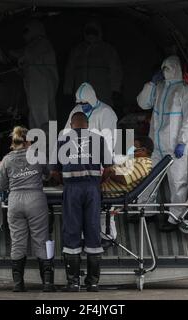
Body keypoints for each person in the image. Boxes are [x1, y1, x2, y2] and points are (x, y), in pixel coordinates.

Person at [51, 112, 113, 292]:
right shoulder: (98, 139)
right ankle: (93, 283)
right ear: (87, 124)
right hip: (92, 190)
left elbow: (54, 172)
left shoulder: (63, 139)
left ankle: (73, 283)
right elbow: (109, 168)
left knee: (72, 231)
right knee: (93, 230)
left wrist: (66, 182)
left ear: (71, 124)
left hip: (72, 190)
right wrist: (97, 183)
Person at [137, 55, 188, 232]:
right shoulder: (159, 87)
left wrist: (182, 141)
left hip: (175, 146)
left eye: (168, 68)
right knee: (149, 178)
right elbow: (142, 103)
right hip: (155, 145)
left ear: (177, 69)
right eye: (163, 68)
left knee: (177, 182)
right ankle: (146, 212)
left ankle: (175, 218)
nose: (165, 72)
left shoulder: (185, 91)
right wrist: (150, 84)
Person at [0, 126, 55, 293]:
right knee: (41, 239)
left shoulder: (6, 160)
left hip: (15, 200)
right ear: (28, 141)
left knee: (17, 241)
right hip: (35, 199)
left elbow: (2, 185)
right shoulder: (37, 155)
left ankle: (18, 284)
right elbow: (47, 174)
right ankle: (47, 284)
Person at [64, 82, 118, 244]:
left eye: (85, 103)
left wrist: (103, 165)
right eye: (79, 103)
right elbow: (67, 134)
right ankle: (82, 236)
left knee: (102, 203)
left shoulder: (106, 113)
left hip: (99, 165)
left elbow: (108, 141)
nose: (82, 106)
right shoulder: (76, 111)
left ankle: (107, 235)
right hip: (79, 165)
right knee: (81, 204)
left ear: (92, 100)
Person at [11, 19, 59, 132]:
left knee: (42, 115)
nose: (25, 34)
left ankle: (46, 144)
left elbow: (25, 54)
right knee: (36, 115)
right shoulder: (34, 45)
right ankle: (40, 142)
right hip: (35, 88)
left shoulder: (42, 43)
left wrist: (9, 53)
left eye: (27, 31)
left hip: (41, 88)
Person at [64, 20, 123, 107]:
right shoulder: (78, 50)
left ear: (99, 32)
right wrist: (67, 91)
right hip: (81, 94)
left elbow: (116, 71)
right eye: (89, 31)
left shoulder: (107, 50)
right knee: (82, 116)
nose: (91, 34)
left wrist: (116, 90)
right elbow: (70, 72)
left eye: (93, 31)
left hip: (102, 94)